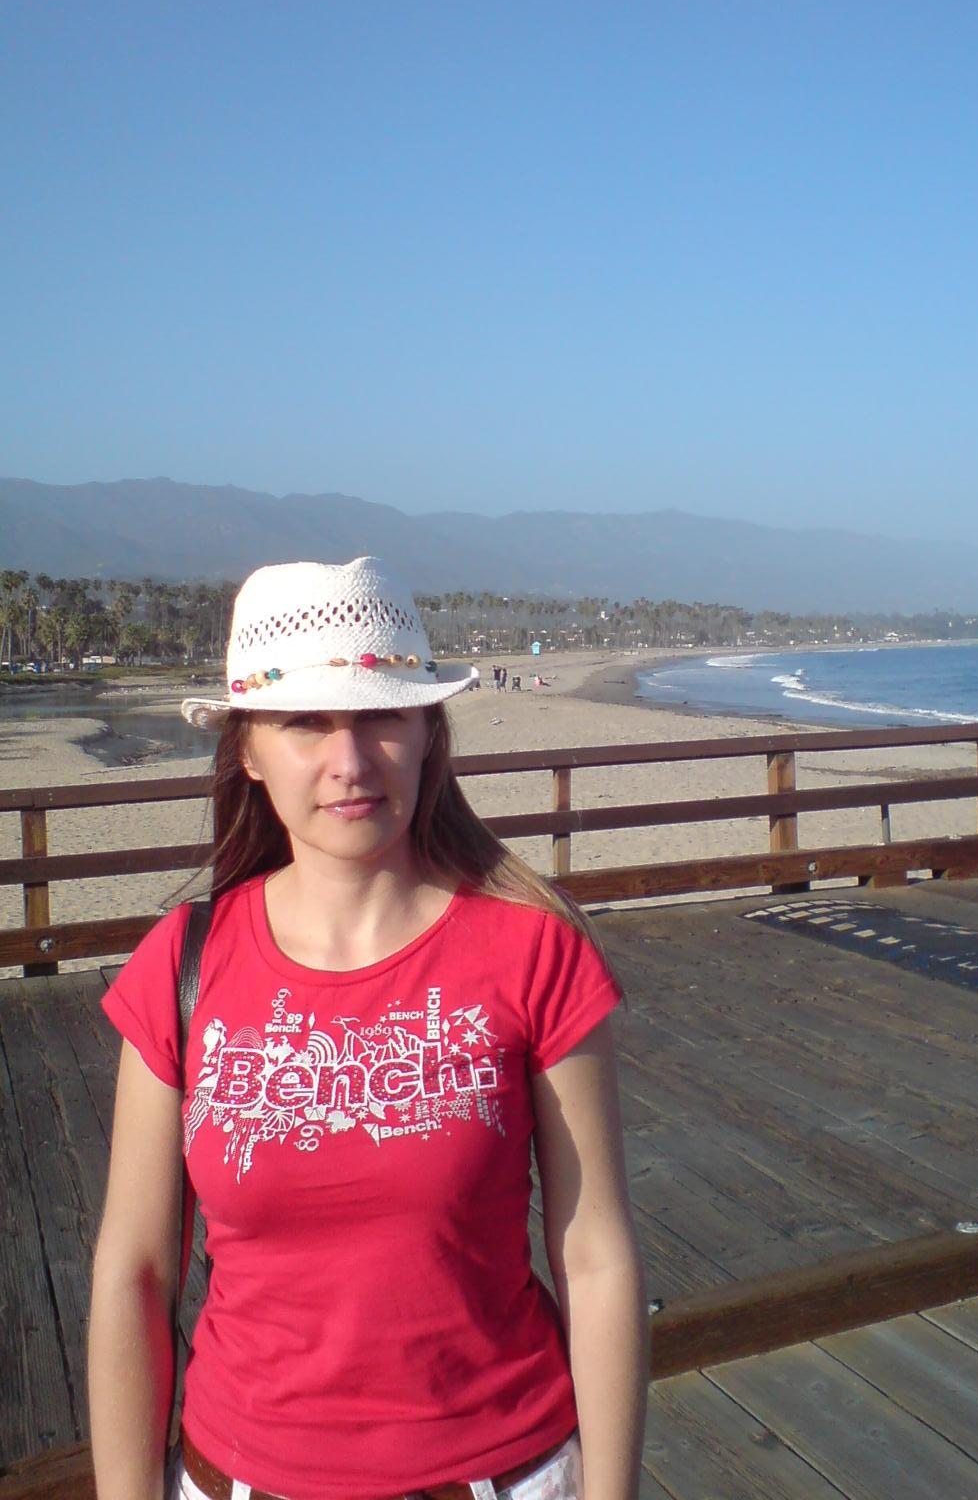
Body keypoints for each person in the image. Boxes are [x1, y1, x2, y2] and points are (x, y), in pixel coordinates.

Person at [88, 556, 647, 1500]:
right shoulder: (180, 965)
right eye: (305, 721)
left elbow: (595, 1258)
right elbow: (133, 1272)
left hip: (504, 1475)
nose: (349, 761)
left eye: (380, 715)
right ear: (248, 750)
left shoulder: (534, 950)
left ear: (429, 734)